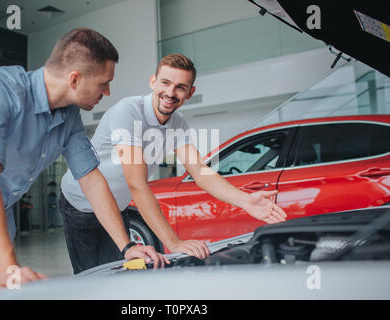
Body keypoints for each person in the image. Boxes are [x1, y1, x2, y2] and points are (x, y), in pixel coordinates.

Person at [0, 28, 165, 300]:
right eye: (103, 83)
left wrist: (127, 246)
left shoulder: (68, 116)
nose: (107, 92)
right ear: (74, 79)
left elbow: (91, 179)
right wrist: (6, 270)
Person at [60, 54, 287, 274]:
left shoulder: (178, 125)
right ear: (152, 82)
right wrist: (173, 242)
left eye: (180, 87)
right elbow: (136, 184)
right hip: (81, 202)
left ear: (190, 92)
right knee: (91, 277)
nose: (170, 92)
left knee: (119, 271)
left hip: (117, 205)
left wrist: (245, 200)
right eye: (165, 83)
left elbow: (200, 171)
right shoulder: (127, 112)